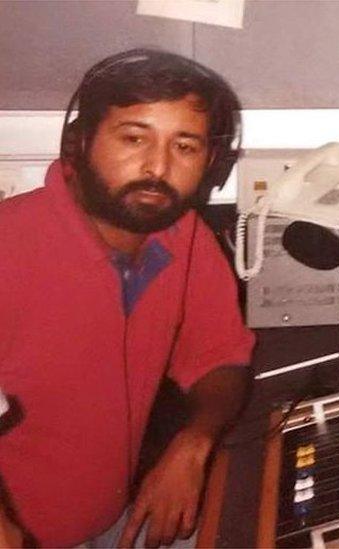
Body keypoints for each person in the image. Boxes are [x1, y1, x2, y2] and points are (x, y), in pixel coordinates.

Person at [0, 49, 255, 547]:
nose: (157, 167)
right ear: (77, 145)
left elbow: (218, 356)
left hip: (111, 519)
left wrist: (194, 441)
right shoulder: (8, 249)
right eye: (133, 138)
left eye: (185, 147)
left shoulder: (183, 237)